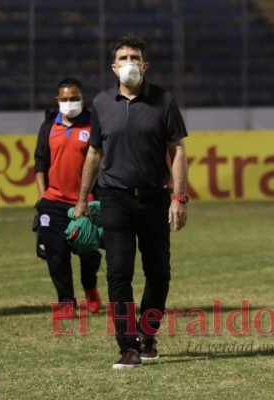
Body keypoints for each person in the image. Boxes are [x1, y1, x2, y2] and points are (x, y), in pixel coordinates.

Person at [73, 34, 189, 369]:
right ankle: (127, 346)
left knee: (158, 273)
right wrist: (82, 200)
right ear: (113, 67)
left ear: (145, 64)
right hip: (114, 199)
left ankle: (147, 335)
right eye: (123, 58)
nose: (129, 63)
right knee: (119, 274)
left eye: (135, 57)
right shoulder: (102, 103)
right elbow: (94, 153)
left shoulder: (163, 101)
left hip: (154, 198)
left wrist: (179, 197)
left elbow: (177, 149)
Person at [34, 77, 102, 320]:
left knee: (88, 252)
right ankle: (66, 301)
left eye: (74, 98)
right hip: (52, 201)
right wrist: (42, 197)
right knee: (56, 254)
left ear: (83, 99)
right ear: (57, 100)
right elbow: (40, 163)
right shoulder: (48, 127)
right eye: (64, 99)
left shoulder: (93, 125)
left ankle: (90, 286)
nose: (69, 103)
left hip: (84, 201)